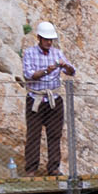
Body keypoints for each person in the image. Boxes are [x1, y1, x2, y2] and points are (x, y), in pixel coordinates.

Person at [21, 21, 76, 175]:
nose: (49, 42)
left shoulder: (57, 53)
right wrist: (47, 71)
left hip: (54, 98)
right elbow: (29, 75)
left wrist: (66, 66)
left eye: (51, 39)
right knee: (33, 134)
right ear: (39, 38)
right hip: (36, 98)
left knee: (54, 134)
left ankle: (53, 168)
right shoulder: (29, 53)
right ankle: (31, 169)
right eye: (46, 39)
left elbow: (72, 71)